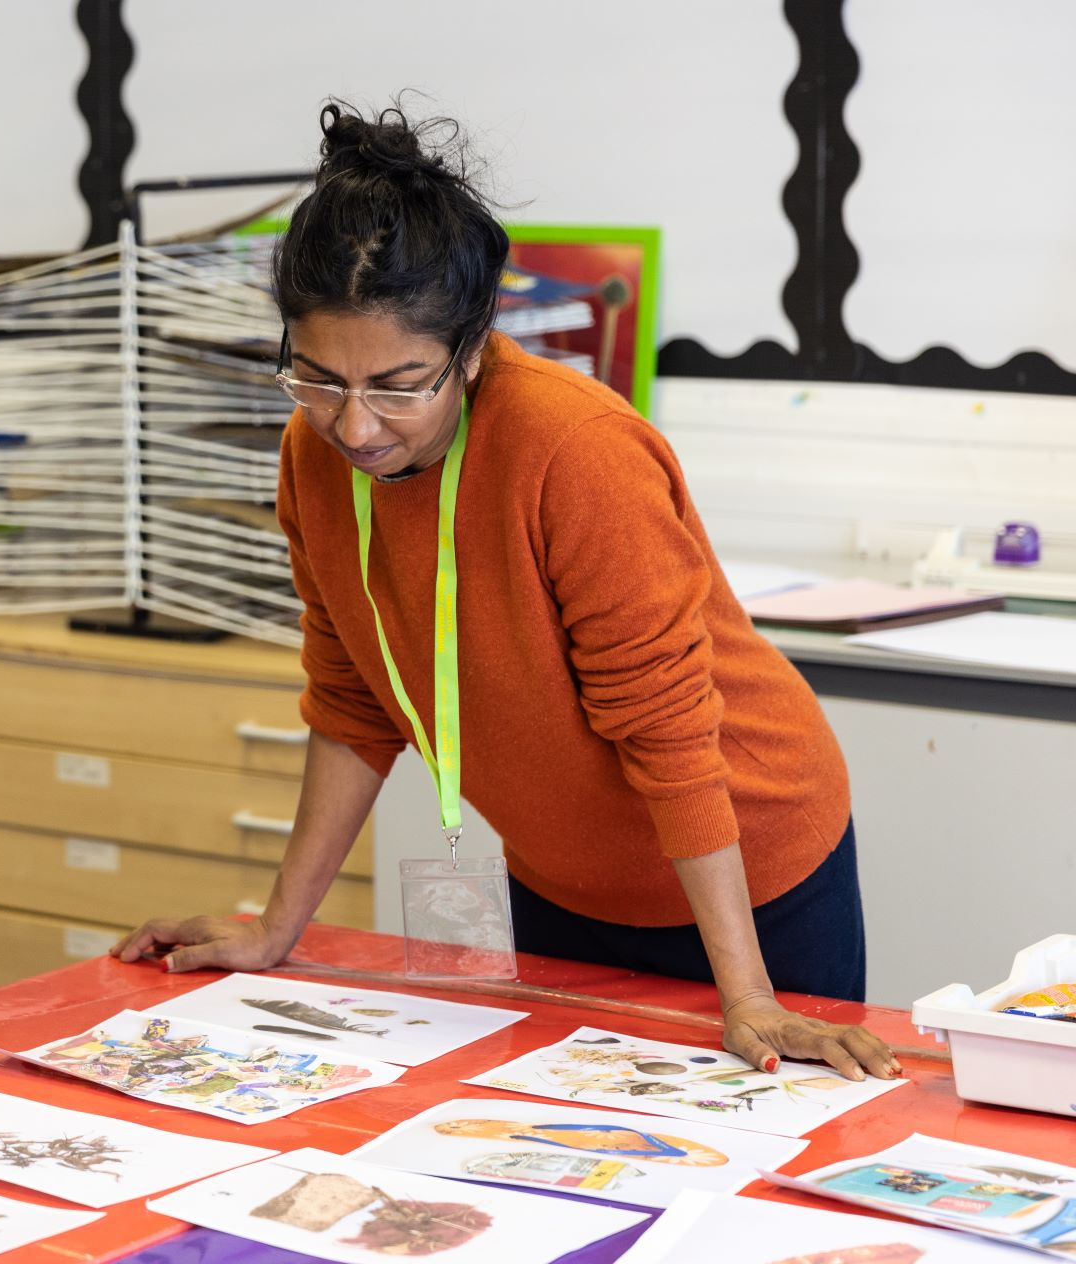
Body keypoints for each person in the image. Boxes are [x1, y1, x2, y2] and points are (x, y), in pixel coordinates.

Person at [116, 104, 898, 1084]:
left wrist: (745, 995)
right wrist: (277, 927)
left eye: (399, 385)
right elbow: (355, 698)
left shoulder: (574, 454)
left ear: (474, 348)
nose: (355, 427)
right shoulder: (311, 457)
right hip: (562, 880)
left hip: (750, 870)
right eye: (316, 379)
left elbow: (664, 727)